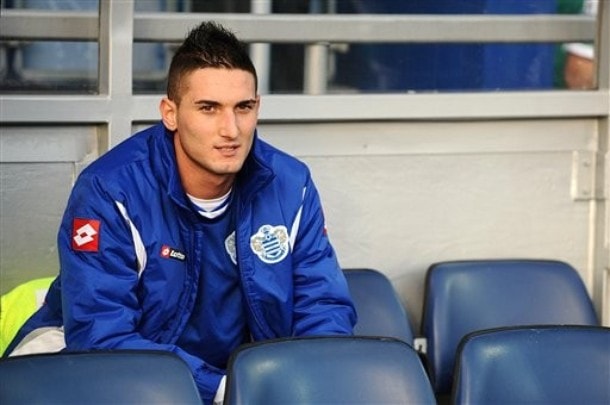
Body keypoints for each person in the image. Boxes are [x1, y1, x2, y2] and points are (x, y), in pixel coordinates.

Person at [4, 21, 357, 404]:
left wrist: (308, 379)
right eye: (208, 109)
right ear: (170, 113)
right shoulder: (110, 190)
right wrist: (226, 389)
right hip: (102, 364)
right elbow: (99, 336)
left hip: (230, 375)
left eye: (244, 108)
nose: (231, 129)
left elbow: (323, 305)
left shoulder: (291, 184)